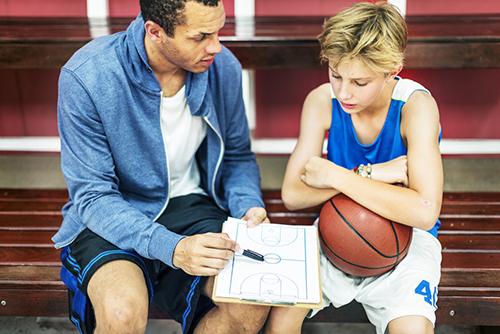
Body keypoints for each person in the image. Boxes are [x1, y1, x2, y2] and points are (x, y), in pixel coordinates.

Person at [52, 0, 271, 333]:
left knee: (249, 300)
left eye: (218, 32)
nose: (216, 46)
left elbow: (237, 156)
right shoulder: (87, 76)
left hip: (193, 206)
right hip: (113, 214)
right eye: (200, 37)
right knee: (122, 313)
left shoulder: (222, 67)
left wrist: (247, 207)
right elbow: (93, 196)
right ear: (154, 31)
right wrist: (172, 248)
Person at [264, 2, 443, 334]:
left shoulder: (416, 107)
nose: (344, 92)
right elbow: (293, 194)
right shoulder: (321, 101)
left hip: (405, 240)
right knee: (280, 318)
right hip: (335, 229)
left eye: (360, 82)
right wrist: (369, 174)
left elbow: (424, 211)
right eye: (335, 75)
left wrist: (334, 174)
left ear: (392, 70)